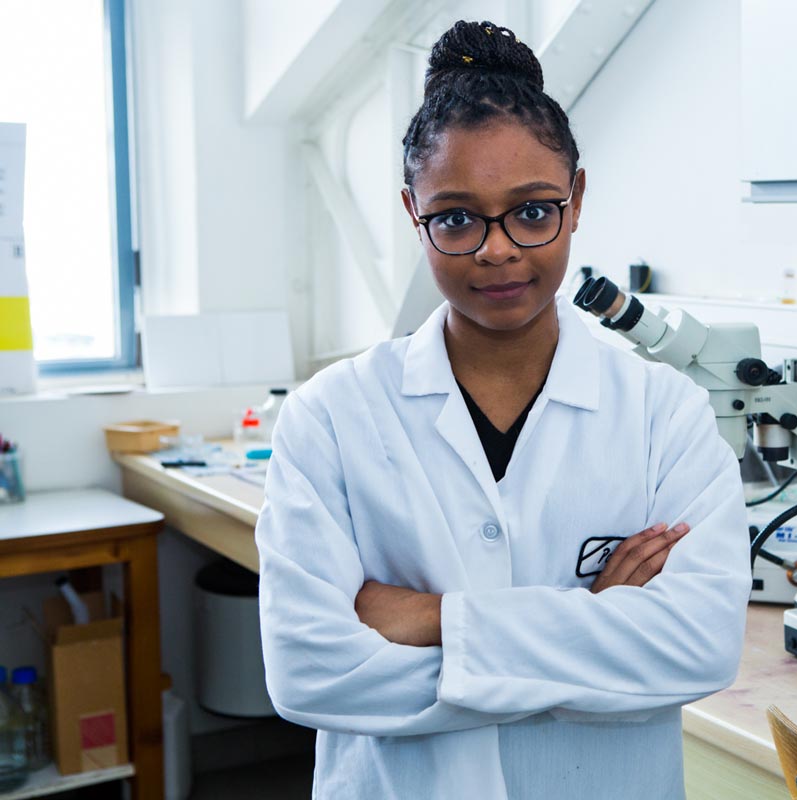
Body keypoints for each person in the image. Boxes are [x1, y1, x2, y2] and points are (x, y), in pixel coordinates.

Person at [255, 20, 750, 800]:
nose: (497, 249)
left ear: (575, 201)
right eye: (457, 218)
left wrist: (432, 620)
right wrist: (593, 627)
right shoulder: (332, 415)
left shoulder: (665, 416)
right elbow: (310, 672)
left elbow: (699, 647)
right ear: (413, 211)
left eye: (532, 211)